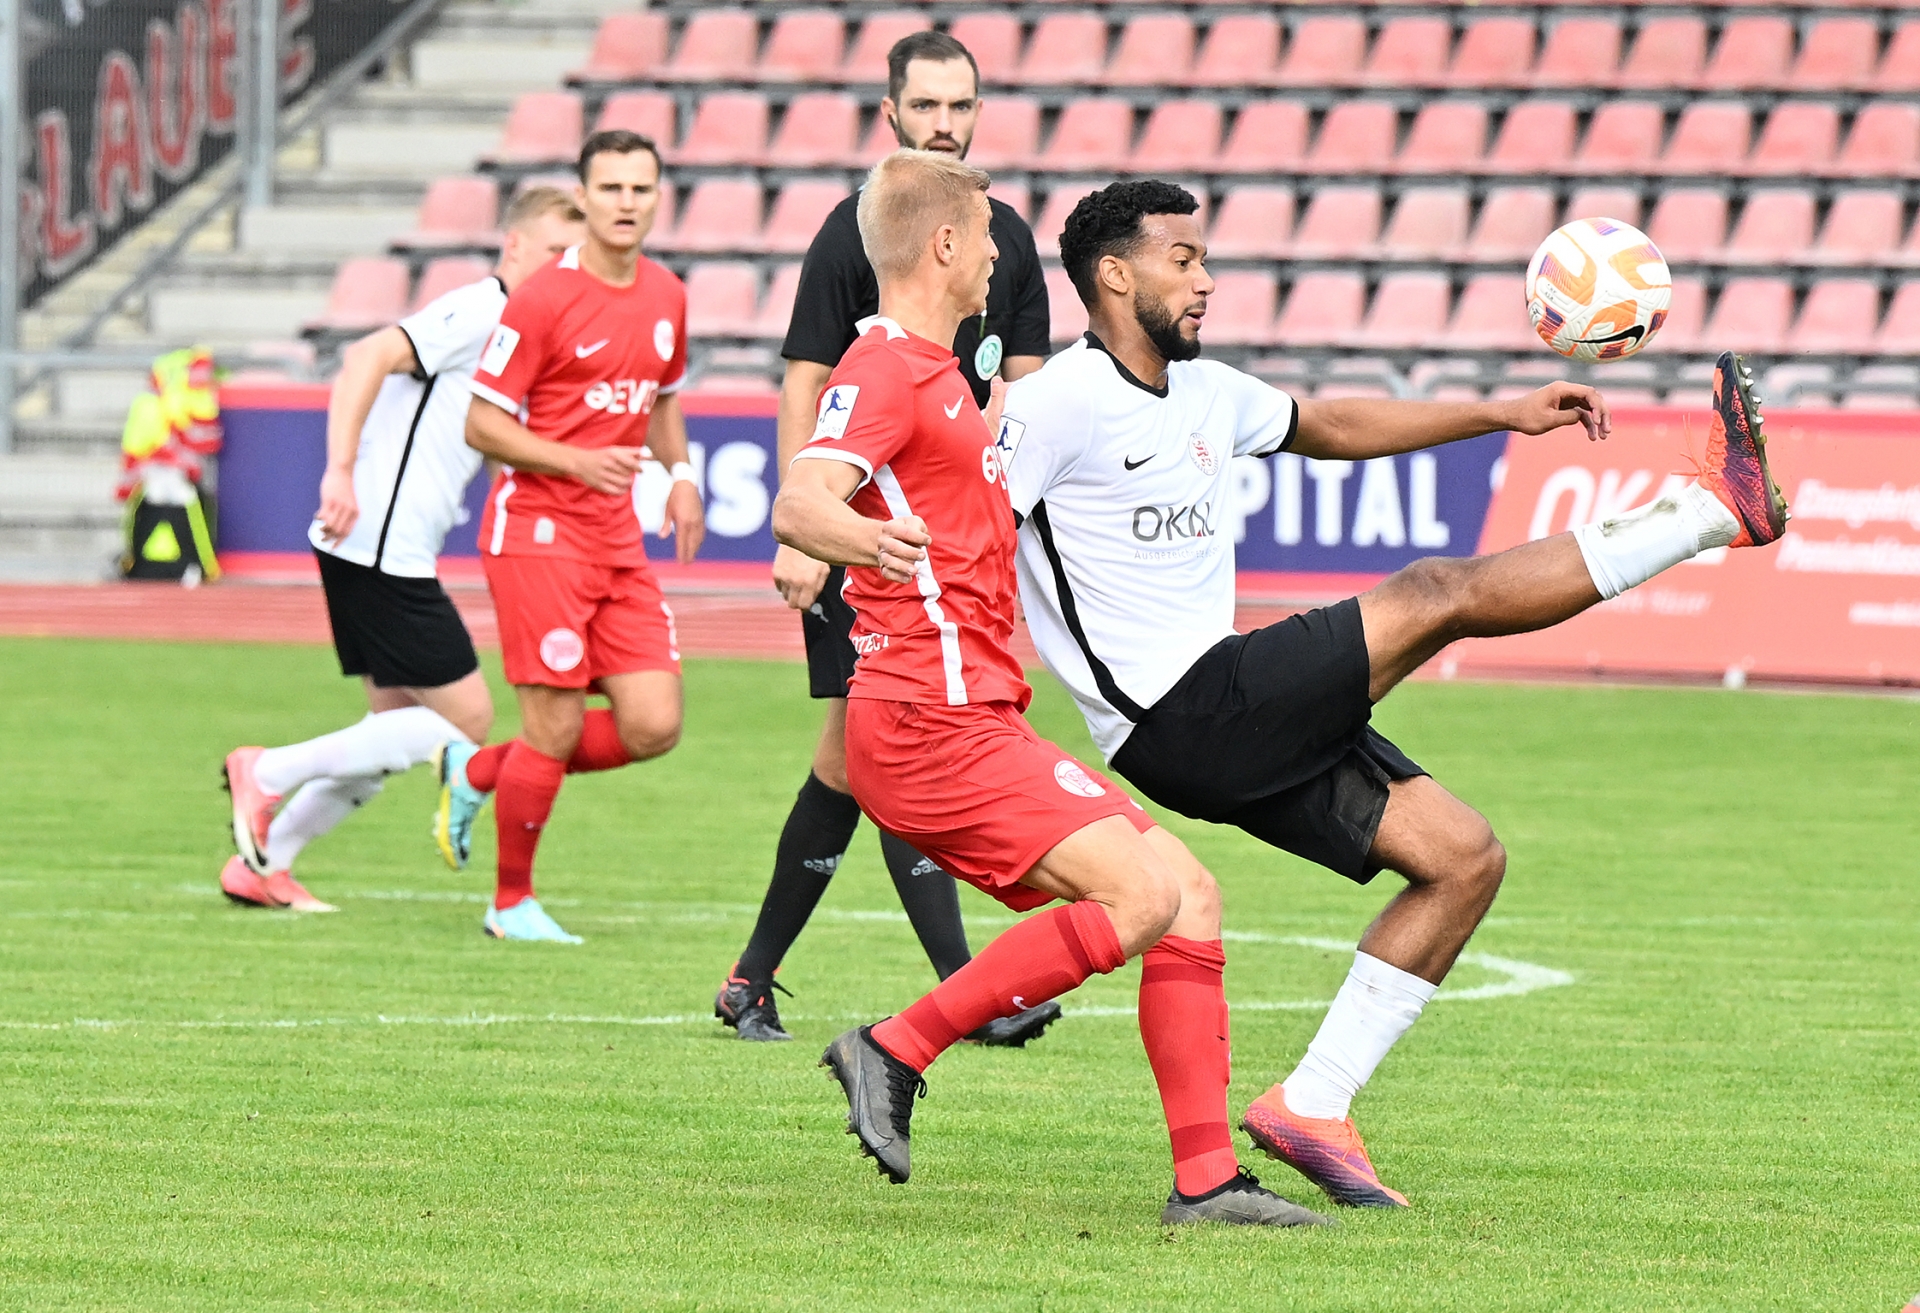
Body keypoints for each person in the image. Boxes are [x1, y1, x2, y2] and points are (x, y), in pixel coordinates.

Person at [997, 181, 1790, 1209]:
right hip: (1178, 711)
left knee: (1462, 858)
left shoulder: (1204, 391)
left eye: (1204, 259)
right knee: (1433, 592)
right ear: (1114, 274)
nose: (1206, 281)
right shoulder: (1056, 402)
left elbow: (1330, 422)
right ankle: (1713, 511)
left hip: (1230, 707)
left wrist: (1499, 412)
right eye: (1183, 260)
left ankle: (1313, 1103)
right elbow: (974, 526)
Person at [776, 149, 1332, 1228]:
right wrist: (867, 541)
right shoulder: (883, 367)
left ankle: (1208, 1182)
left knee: (1188, 894)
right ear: (944, 243)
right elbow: (801, 502)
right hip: (926, 717)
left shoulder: (944, 375)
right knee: (1138, 898)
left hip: (973, 713)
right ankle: (894, 1046)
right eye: (989, 237)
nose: (1000, 256)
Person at [714, 30, 1056, 1044]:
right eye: (928, 105)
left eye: (962, 105)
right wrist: (806, 536)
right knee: (892, 743)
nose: (945, 123)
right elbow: (809, 383)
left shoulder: (1005, 238)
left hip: (949, 550)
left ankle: (752, 977)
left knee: (859, 757)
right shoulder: (856, 235)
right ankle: (966, 989)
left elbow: (1026, 393)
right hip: (869, 541)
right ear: (891, 113)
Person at [220, 187, 587, 912]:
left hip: (379, 543)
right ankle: (265, 771)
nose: (562, 269)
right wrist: (339, 469)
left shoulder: (516, 331)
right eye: (553, 252)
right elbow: (367, 355)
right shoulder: (482, 309)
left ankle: (265, 864)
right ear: (514, 246)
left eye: (572, 258)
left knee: (388, 734)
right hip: (379, 543)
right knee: (465, 721)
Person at [430, 129, 705, 944]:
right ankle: (510, 902)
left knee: (653, 723)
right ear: (583, 198)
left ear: (658, 198)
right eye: (610, 188)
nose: (626, 202)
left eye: (640, 188)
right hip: (538, 533)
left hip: (614, 536)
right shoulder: (543, 298)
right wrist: (577, 461)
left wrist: (681, 474)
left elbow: (661, 396)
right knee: (551, 727)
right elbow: (482, 423)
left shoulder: (667, 294)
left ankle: (481, 768)